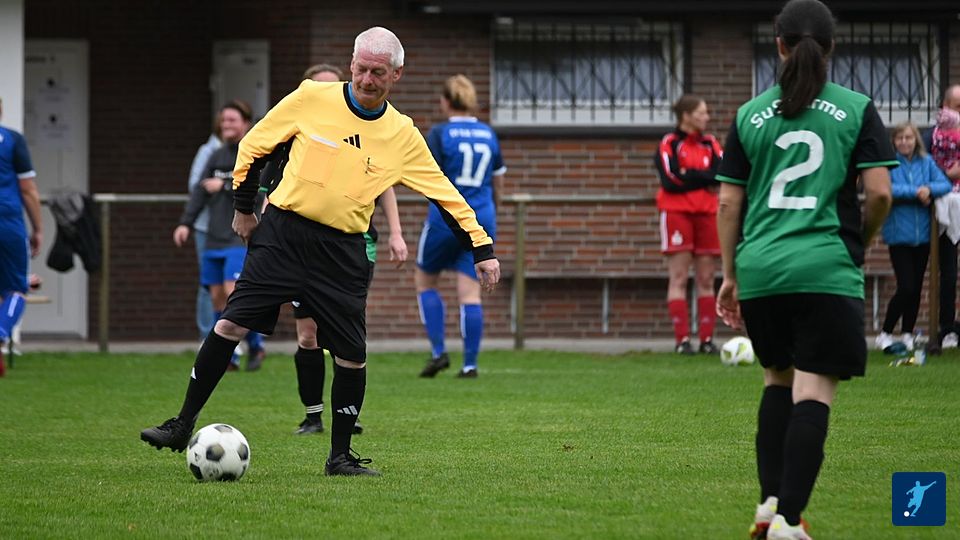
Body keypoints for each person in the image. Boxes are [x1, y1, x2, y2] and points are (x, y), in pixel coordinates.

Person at [141, 27, 501, 477]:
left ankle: (340, 457)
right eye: (362, 69)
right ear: (351, 64)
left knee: (352, 354)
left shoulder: (403, 134)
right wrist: (244, 208)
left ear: (397, 75)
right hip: (283, 236)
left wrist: (482, 248)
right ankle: (181, 424)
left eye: (378, 73)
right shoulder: (312, 96)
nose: (367, 80)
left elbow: (445, 194)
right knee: (231, 323)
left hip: (343, 251)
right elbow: (254, 145)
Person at [714, 1, 896, 538]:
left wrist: (730, 274)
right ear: (831, 47)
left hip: (761, 270)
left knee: (777, 379)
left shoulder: (749, 115)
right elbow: (880, 194)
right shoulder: (857, 108)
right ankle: (790, 521)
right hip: (825, 268)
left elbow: (727, 204)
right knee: (812, 393)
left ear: (779, 44)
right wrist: (858, 241)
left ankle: (768, 507)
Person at [258, 63, 409, 435]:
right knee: (308, 335)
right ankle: (313, 415)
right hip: (301, 250)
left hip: (351, 249)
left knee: (344, 334)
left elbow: (385, 183)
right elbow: (268, 195)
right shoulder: (294, 140)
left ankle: (346, 414)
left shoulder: (365, 134)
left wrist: (396, 233)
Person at [417, 75, 505, 378]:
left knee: (426, 283)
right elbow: (498, 181)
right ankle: (470, 365)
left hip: (445, 219)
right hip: (481, 219)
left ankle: (438, 352)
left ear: (445, 101)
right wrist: (492, 211)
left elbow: (430, 177)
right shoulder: (488, 133)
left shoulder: (440, 133)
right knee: (470, 294)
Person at [175, 100, 267, 371]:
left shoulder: (254, 152)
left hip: (239, 236)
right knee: (216, 296)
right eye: (224, 120)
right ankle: (233, 350)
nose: (227, 125)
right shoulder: (215, 156)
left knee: (232, 292)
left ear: (246, 123)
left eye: (232, 120)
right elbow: (200, 191)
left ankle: (247, 347)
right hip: (214, 237)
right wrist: (185, 223)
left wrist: (225, 185)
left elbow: (261, 189)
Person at [654, 95, 723, 355]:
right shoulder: (669, 143)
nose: (707, 118)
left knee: (706, 277)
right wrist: (703, 178)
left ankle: (707, 340)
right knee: (680, 277)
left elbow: (721, 173)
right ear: (686, 115)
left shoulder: (710, 143)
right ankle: (682, 340)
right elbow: (670, 179)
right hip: (677, 213)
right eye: (702, 113)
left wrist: (690, 175)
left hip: (707, 213)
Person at [876, 123, 951, 353]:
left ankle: (908, 333)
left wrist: (929, 189)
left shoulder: (926, 162)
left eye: (908, 138)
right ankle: (885, 333)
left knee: (916, 288)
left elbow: (945, 184)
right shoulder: (889, 163)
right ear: (894, 141)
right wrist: (917, 192)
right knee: (906, 287)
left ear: (915, 139)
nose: (904, 142)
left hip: (924, 236)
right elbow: (888, 189)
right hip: (899, 235)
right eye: (900, 138)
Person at [0, 97, 42, 377]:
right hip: (7, 221)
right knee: (16, 289)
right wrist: (38, 228)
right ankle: (1, 332)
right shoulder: (12, 139)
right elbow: (27, 189)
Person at [922, 85, 960, 348]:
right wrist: (949, 175)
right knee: (948, 272)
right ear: (945, 106)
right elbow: (924, 174)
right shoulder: (930, 137)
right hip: (945, 210)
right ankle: (946, 328)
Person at [187, 113, 222, 340]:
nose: (228, 125)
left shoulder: (246, 148)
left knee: (233, 283)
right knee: (209, 283)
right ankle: (207, 336)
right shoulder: (208, 151)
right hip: (207, 227)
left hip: (233, 229)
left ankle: (233, 337)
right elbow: (195, 185)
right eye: (225, 120)